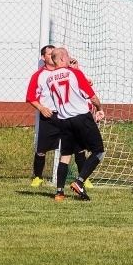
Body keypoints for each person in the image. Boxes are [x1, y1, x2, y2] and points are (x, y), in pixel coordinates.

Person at [25, 45, 90, 190]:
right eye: (49, 54)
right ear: (43, 57)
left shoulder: (68, 72)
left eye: (54, 53)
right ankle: (38, 177)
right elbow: (31, 96)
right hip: (49, 115)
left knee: (78, 148)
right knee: (41, 148)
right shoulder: (38, 76)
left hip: (67, 115)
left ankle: (83, 178)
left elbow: (81, 85)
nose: (52, 55)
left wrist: (78, 70)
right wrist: (41, 108)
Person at [48, 47, 105, 201]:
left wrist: (76, 69)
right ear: (60, 58)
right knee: (99, 151)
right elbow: (91, 96)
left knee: (66, 156)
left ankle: (59, 192)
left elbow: (67, 86)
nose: (69, 58)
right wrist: (99, 108)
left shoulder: (49, 79)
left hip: (64, 120)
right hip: (80, 117)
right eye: (67, 55)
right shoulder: (74, 73)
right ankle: (79, 182)